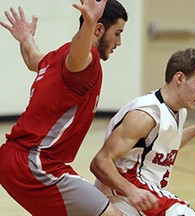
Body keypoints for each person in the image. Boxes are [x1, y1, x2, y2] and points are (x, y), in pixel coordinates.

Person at [0, 0, 128, 215]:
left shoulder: (58, 56)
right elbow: (80, 57)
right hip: (36, 163)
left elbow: (33, 59)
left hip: (13, 160)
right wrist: (89, 22)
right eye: (117, 33)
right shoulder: (85, 61)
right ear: (98, 29)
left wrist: (26, 38)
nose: (119, 41)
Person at [90, 47, 195, 215]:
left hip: (145, 193)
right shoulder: (145, 115)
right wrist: (131, 191)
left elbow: (165, 143)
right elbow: (100, 162)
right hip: (126, 194)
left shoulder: (178, 111)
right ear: (179, 78)